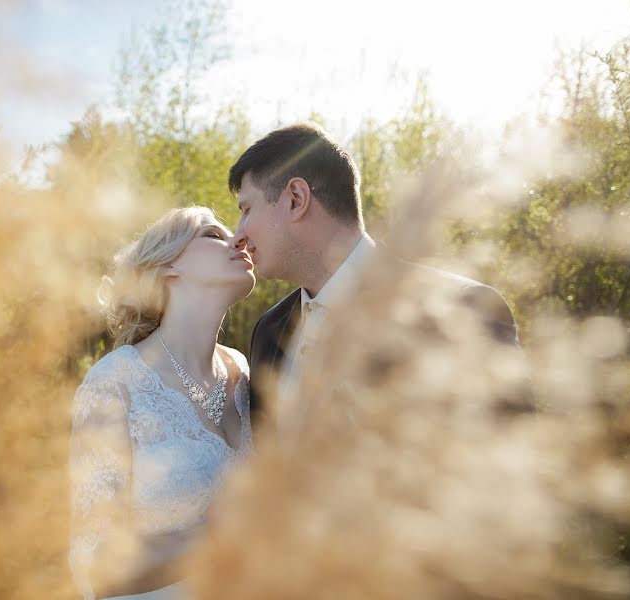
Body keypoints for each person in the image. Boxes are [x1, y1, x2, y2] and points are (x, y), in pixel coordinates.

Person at [227, 122, 521, 436]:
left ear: (296, 199)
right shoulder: (269, 332)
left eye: (246, 209)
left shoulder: (464, 309)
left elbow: (517, 462)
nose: (239, 234)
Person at [69, 206, 256, 600]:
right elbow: (98, 564)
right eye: (212, 234)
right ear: (168, 267)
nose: (239, 239)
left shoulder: (244, 371)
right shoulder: (114, 382)